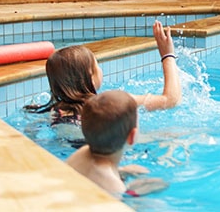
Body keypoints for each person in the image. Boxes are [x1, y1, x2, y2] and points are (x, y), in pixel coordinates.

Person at [25, 20, 181, 135]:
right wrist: (167, 55)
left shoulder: (53, 112)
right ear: (90, 77)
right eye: (96, 66)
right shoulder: (111, 102)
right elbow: (170, 100)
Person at [66, 90, 168, 197]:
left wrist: (121, 171)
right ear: (132, 137)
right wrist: (132, 192)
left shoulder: (81, 153)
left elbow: (92, 174)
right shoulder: (114, 187)